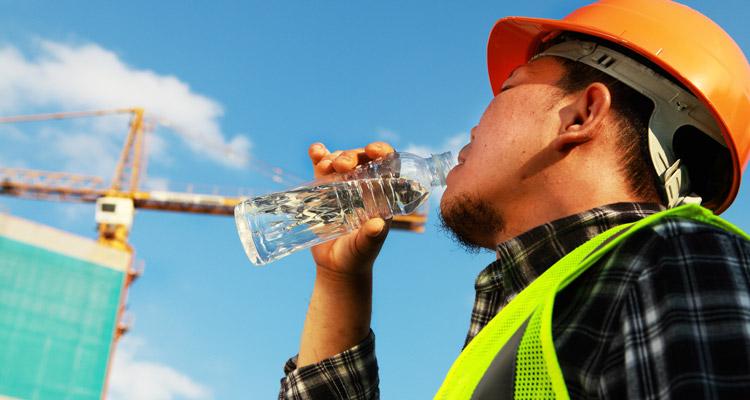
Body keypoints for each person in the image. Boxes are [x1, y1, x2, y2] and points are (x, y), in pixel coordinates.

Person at [279, 0, 750, 398]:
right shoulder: (539, 306)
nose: (475, 125)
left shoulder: (674, 256)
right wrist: (340, 280)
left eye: (509, 87)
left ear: (582, 114)